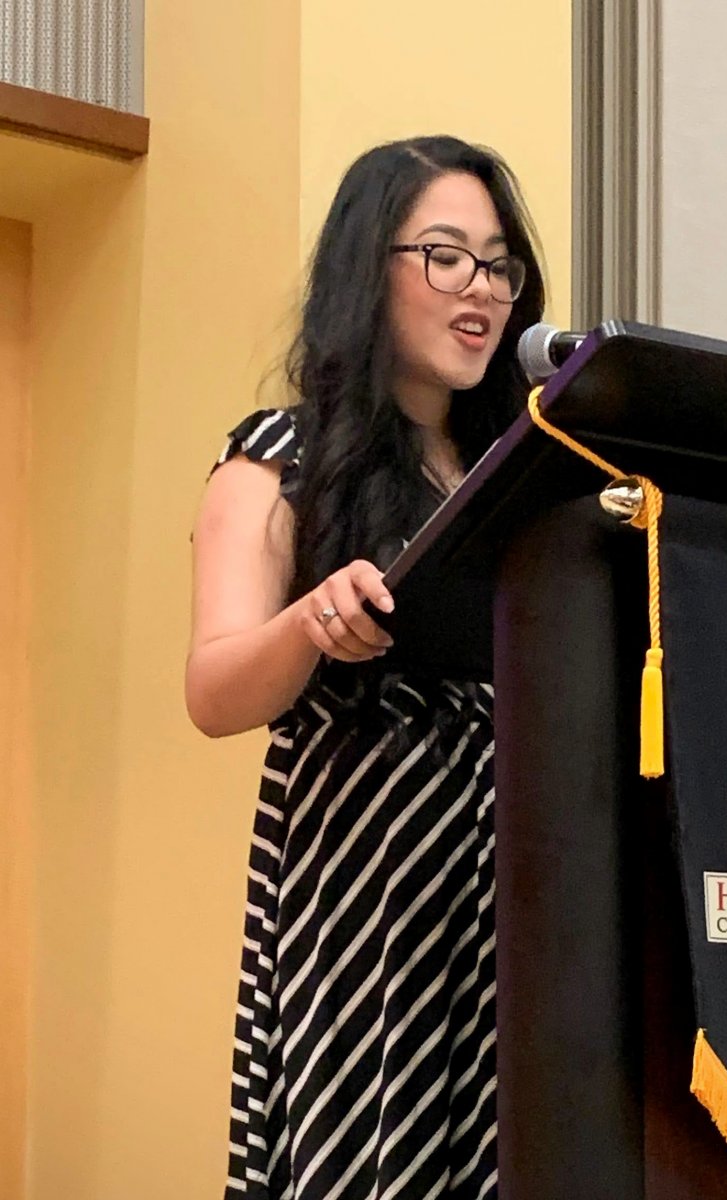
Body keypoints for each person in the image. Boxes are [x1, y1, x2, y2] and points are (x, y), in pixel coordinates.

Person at [186, 136, 546, 1200]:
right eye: (445, 255)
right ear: (367, 267)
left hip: (518, 906)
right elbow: (212, 691)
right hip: (368, 913)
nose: (480, 290)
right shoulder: (280, 454)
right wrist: (310, 621)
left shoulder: (521, 477)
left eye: (498, 263)